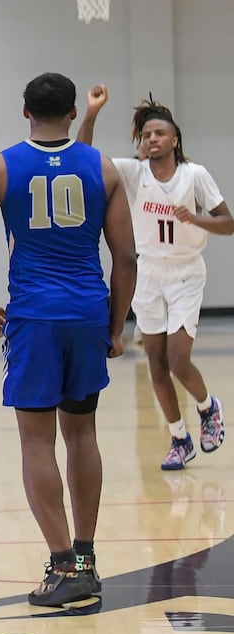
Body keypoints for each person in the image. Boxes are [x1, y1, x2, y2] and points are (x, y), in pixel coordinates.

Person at [0, 73, 136, 607]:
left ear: (24, 109)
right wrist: (116, 327)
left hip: (34, 319)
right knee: (83, 435)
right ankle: (85, 557)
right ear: (74, 113)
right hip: (86, 313)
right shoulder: (103, 167)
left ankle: (62, 566)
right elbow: (125, 257)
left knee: (37, 440)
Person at [77, 86, 232, 470]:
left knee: (179, 360)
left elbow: (228, 223)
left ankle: (207, 407)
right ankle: (179, 438)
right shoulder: (132, 173)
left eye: (159, 134)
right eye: (147, 135)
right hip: (148, 273)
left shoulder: (195, 175)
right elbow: (82, 160)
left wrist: (195, 218)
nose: (152, 139)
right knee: (156, 364)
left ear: (175, 139)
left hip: (185, 272)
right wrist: (92, 113)